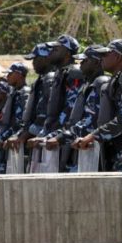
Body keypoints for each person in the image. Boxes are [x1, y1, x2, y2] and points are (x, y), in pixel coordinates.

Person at [72, 39, 122, 172]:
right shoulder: (116, 80)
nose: (102, 58)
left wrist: (94, 136)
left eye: (106, 54)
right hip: (114, 151)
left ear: (118, 57)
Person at [37, 35, 83, 170]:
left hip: (65, 137)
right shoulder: (59, 73)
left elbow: (71, 110)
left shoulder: (74, 74)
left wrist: (57, 135)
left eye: (56, 49)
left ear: (68, 53)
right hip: (54, 135)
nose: (51, 51)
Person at [6, 43, 56, 153]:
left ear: (46, 58)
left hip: (47, 139)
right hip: (35, 137)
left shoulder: (51, 80)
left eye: (36, 58)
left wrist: (25, 136)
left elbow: (45, 114)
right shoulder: (41, 80)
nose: (33, 63)